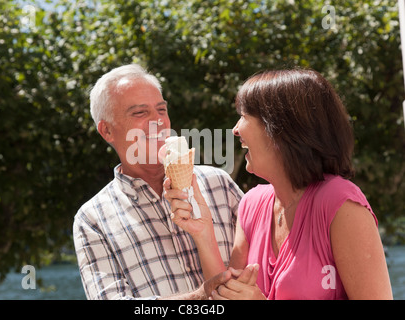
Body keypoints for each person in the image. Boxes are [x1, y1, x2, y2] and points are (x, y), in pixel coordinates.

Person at [165, 68, 393, 300]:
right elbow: (228, 297)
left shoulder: (341, 203)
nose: (235, 129)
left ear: (278, 129)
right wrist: (203, 233)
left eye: (243, 116)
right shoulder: (252, 203)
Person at [72, 64, 244, 299]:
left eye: (161, 110)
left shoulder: (219, 184)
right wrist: (201, 297)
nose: (159, 122)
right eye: (140, 113)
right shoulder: (92, 219)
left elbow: (267, 265)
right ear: (107, 131)